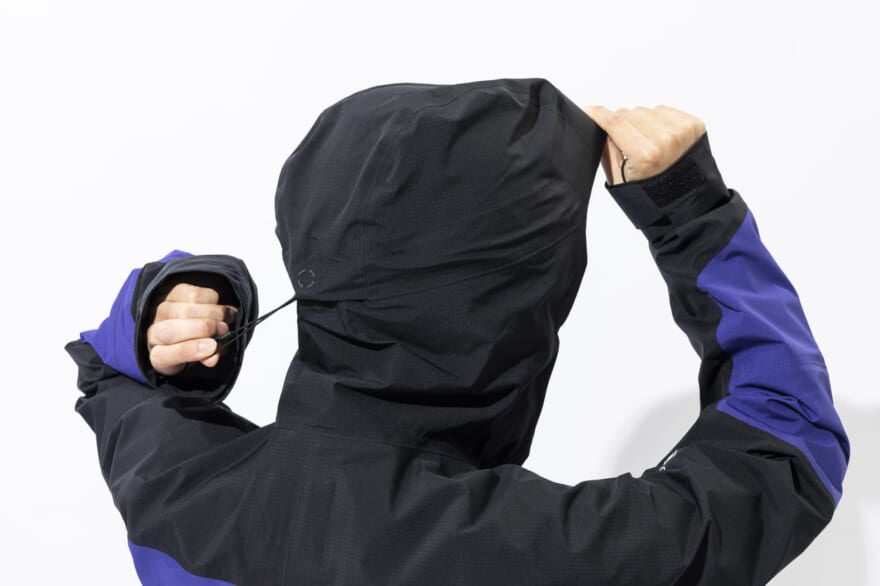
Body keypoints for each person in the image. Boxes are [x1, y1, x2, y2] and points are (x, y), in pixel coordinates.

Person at [67, 78, 849, 585]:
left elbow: (106, 371)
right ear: (520, 304)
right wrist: (691, 213)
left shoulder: (178, 482)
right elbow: (787, 451)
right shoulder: (543, 552)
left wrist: (172, 304)